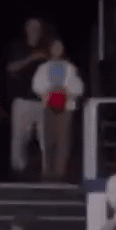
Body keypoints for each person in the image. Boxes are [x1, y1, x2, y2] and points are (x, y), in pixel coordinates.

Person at [31, 38, 83, 182]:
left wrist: (66, 90)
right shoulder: (43, 67)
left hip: (65, 107)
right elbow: (36, 85)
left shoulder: (70, 68)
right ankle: (47, 171)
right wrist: (48, 90)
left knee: (63, 140)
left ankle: (60, 172)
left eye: (60, 47)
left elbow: (78, 87)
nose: (57, 50)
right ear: (50, 49)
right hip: (48, 105)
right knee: (48, 140)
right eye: (55, 47)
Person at [5, 18, 50, 177]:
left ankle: (49, 175)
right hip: (22, 100)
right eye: (31, 27)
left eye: (37, 28)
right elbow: (10, 68)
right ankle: (18, 175)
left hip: (44, 102)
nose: (34, 31)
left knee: (46, 141)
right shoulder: (18, 47)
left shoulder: (47, 49)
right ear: (26, 29)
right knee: (19, 141)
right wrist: (31, 59)